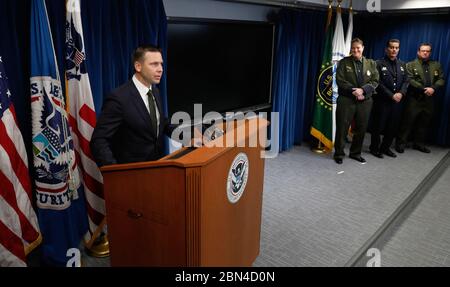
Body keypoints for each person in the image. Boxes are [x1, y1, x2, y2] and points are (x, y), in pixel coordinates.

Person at [91, 45, 176, 167]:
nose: (160, 69)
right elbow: (99, 140)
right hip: (131, 177)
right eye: (154, 64)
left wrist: (188, 136)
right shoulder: (118, 98)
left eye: (161, 64)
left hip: (157, 170)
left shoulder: (155, 91)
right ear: (138, 66)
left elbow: (161, 123)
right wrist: (115, 173)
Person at [334, 38, 379, 164]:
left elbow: (375, 81)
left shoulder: (371, 63)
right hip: (346, 100)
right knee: (342, 127)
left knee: (361, 128)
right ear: (351, 49)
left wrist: (363, 90)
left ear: (363, 48)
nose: (355, 50)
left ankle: (355, 153)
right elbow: (340, 80)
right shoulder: (343, 62)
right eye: (353, 48)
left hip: (365, 101)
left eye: (358, 48)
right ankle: (339, 153)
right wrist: (354, 90)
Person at [395, 43, 445, 154]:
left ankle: (419, 144)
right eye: (423, 51)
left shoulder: (436, 65)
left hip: (429, 99)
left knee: (424, 122)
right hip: (414, 98)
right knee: (407, 122)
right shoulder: (410, 65)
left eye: (428, 51)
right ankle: (400, 143)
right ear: (418, 52)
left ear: (430, 52)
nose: (425, 53)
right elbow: (409, 80)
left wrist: (433, 88)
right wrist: (424, 89)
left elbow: (441, 79)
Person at [369, 39, 408, 158]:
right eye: (391, 47)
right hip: (382, 101)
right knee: (378, 126)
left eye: (396, 48)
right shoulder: (378, 63)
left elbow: (406, 81)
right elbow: (378, 82)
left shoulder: (402, 65)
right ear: (386, 49)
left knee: (392, 126)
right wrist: (391, 95)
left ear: (399, 49)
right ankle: (374, 148)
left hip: (397, 102)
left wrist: (401, 93)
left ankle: (385, 148)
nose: (394, 50)